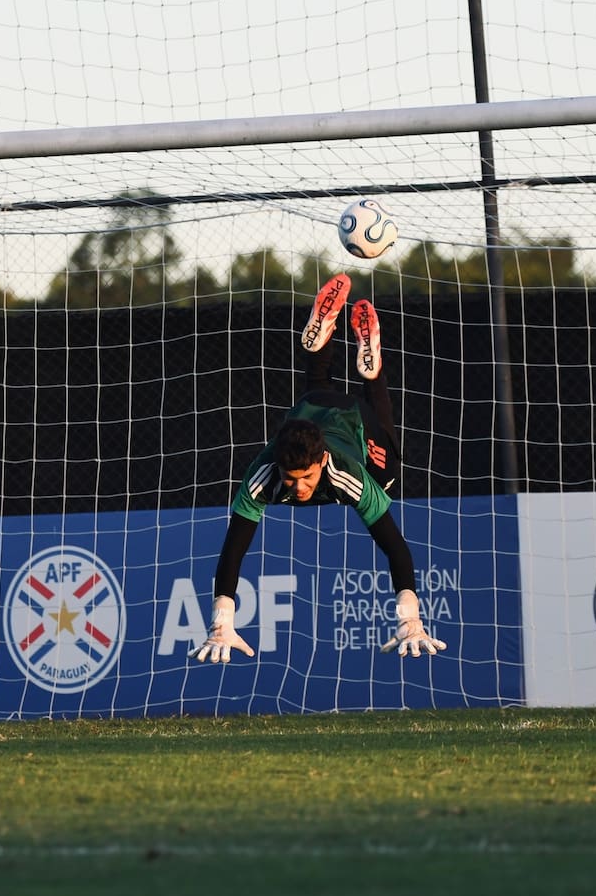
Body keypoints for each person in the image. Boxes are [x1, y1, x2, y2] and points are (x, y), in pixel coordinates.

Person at [190, 272, 446, 663]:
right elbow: (232, 552)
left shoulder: (347, 475)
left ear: (321, 461)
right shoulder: (263, 477)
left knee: (389, 471)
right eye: (290, 479)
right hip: (309, 410)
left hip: (350, 422)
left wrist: (410, 619)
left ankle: (370, 368)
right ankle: (322, 336)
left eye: (306, 477)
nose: (298, 489)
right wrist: (221, 622)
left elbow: (395, 547)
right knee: (312, 388)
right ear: (277, 463)